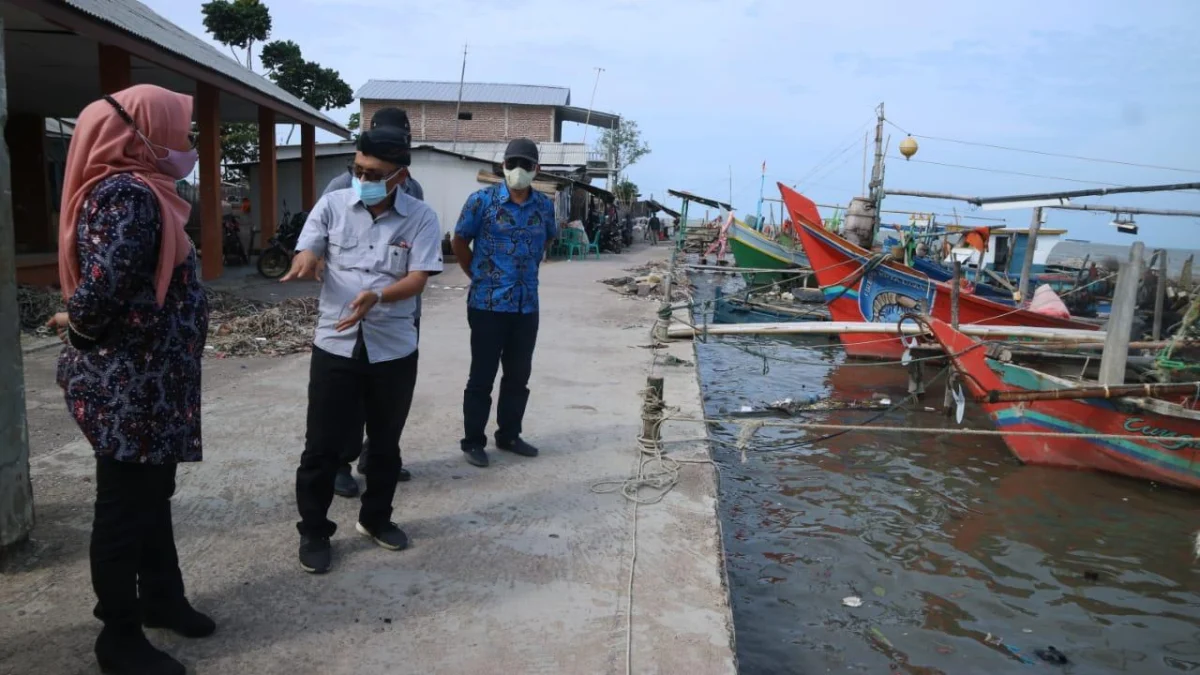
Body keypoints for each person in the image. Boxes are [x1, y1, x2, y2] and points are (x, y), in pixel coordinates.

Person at [48, 84, 213, 675]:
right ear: (143, 131)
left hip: (152, 384)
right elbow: (100, 292)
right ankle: (117, 636)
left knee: (152, 497)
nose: (186, 140)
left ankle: (161, 599)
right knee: (122, 507)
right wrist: (80, 330)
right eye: (179, 126)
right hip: (128, 386)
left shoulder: (148, 193)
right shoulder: (128, 194)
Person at [284, 121, 443, 575]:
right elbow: (308, 247)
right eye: (358, 169)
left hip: (392, 346)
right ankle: (314, 530)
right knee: (320, 446)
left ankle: (376, 520)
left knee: (386, 445)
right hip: (335, 343)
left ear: (399, 176)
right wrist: (307, 259)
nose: (364, 180)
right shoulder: (333, 205)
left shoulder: (421, 217)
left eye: (374, 173)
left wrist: (378, 296)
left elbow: (417, 278)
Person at [320, 107, 424, 498]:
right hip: (352, 313)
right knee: (350, 394)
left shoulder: (413, 191)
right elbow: (318, 237)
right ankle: (342, 462)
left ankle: (376, 455)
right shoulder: (337, 188)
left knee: (388, 396)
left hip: (401, 311)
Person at [451, 138, 556, 468]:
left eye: (526, 164)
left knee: (518, 376)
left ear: (536, 169)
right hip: (487, 305)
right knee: (481, 376)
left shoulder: (544, 205)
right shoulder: (480, 202)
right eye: (513, 164)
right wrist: (477, 275)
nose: (518, 170)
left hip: (527, 307)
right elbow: (459, 240)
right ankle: (473, 441)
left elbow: (548, 238)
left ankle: (509, 434)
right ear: (503, 167)